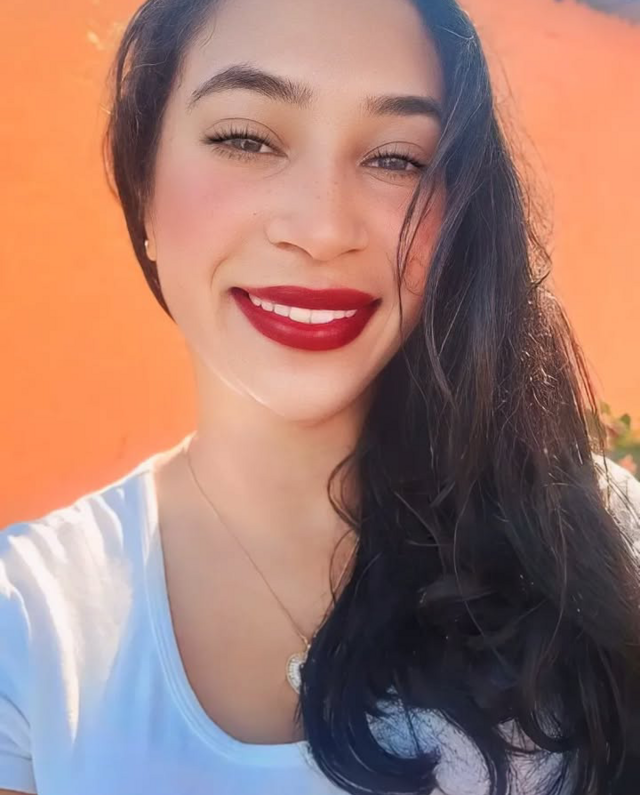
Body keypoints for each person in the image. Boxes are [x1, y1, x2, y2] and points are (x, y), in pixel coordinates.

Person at [2, 0, 640, 792]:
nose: (323, 227)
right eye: (246, 139)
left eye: (398, 158)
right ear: (145, 193)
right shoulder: (28, 624)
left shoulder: (595, 541)